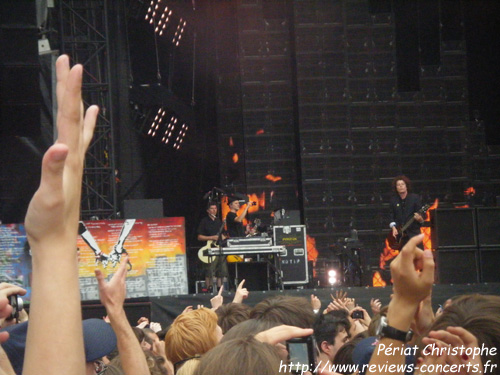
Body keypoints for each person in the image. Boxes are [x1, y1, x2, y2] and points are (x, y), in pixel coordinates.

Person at [381, 175, 425, 284]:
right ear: (396, 188)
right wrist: (394, 228)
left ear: (406, 186)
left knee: (420, 256)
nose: (400, 187)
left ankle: (424, 279)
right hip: (402, 235)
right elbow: (391, 215)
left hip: (414, 233)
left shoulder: (414, 198)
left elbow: (422, 214)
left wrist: (419, 218)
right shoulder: (393, 200)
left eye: (402, 184)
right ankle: (406, 281)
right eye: (398, 185)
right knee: (404, 258)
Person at [197, 202, 227, 290]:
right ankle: (208, 289)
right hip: (209, 248)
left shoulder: (219, 221)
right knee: (210, 270)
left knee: (221, 271)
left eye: (215, 209)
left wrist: (222, 237)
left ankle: (219, 289)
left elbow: (224, 235)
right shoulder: (204, 221)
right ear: (208, 211)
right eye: (212, 209)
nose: (214, 211)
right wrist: (212, 237)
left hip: (219, 248)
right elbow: (199, 237)